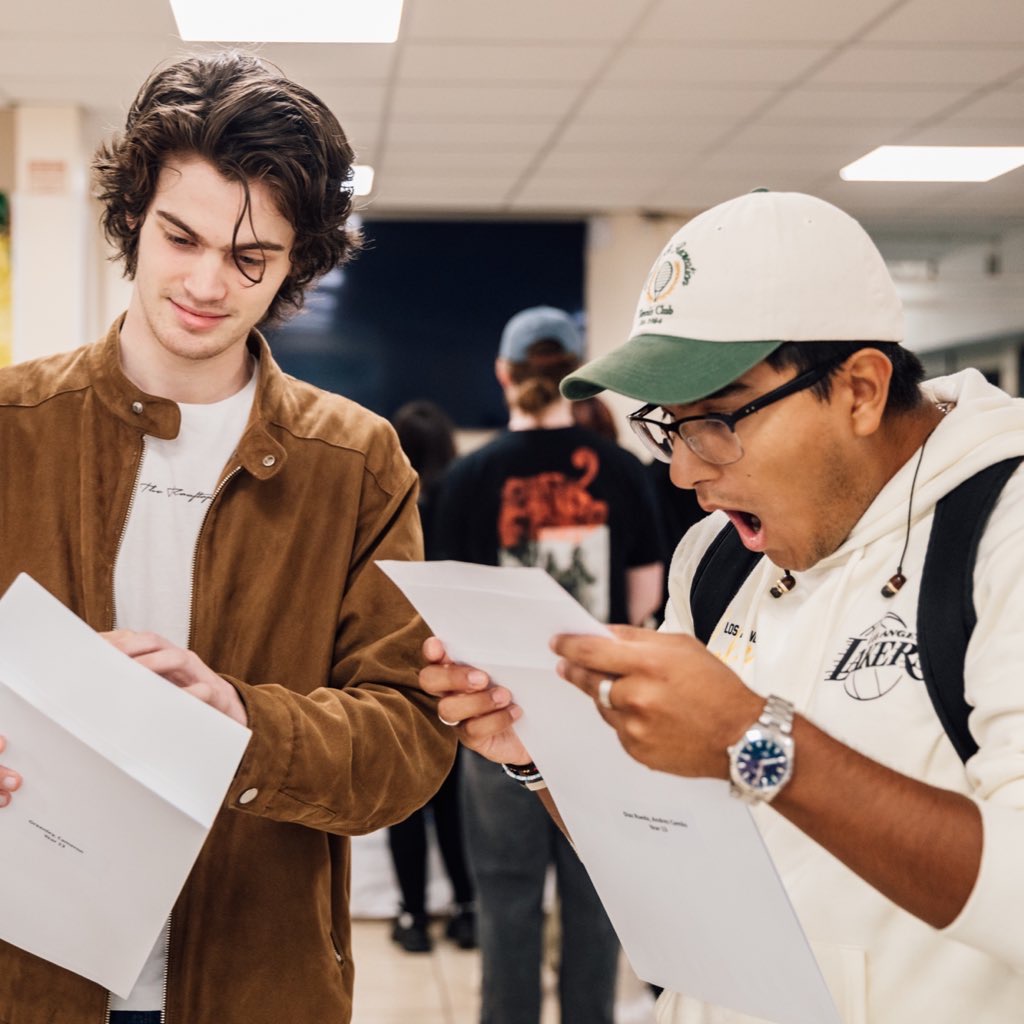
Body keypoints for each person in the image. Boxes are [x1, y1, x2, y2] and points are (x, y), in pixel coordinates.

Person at [419, 190, 1024, 1023]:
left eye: (715, 420)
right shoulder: (715, 561)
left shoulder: (1004, 533)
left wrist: (754, 741)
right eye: (669, 427)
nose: (682, 473)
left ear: (859, 389)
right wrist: (540, 755)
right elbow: (667, 860)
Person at [0, 51, 455, 1024]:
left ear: (297, 264)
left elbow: (411, 740)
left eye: (251, 258)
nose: (207, 281)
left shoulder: (358, 465)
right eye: (181, 237)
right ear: (133, 218)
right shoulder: (11, 428)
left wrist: (244, 725)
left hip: (259, 981)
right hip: (27, 977)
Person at [431, 305, 665, 1024]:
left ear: (504, 375)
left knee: (506, 900)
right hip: (602, 723)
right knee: (596, 900)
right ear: (579, 380)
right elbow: (643, 606)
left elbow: (446, 615)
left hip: (499, 723)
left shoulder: (469, 478)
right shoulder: (626, 474)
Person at [387, 400, 477, 953]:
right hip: (459, 663)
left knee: (405, 803)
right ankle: (466, 908)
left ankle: (413, 916)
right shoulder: (464, 495)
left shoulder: (392, 502)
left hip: (400, 666)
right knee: (452, 801)